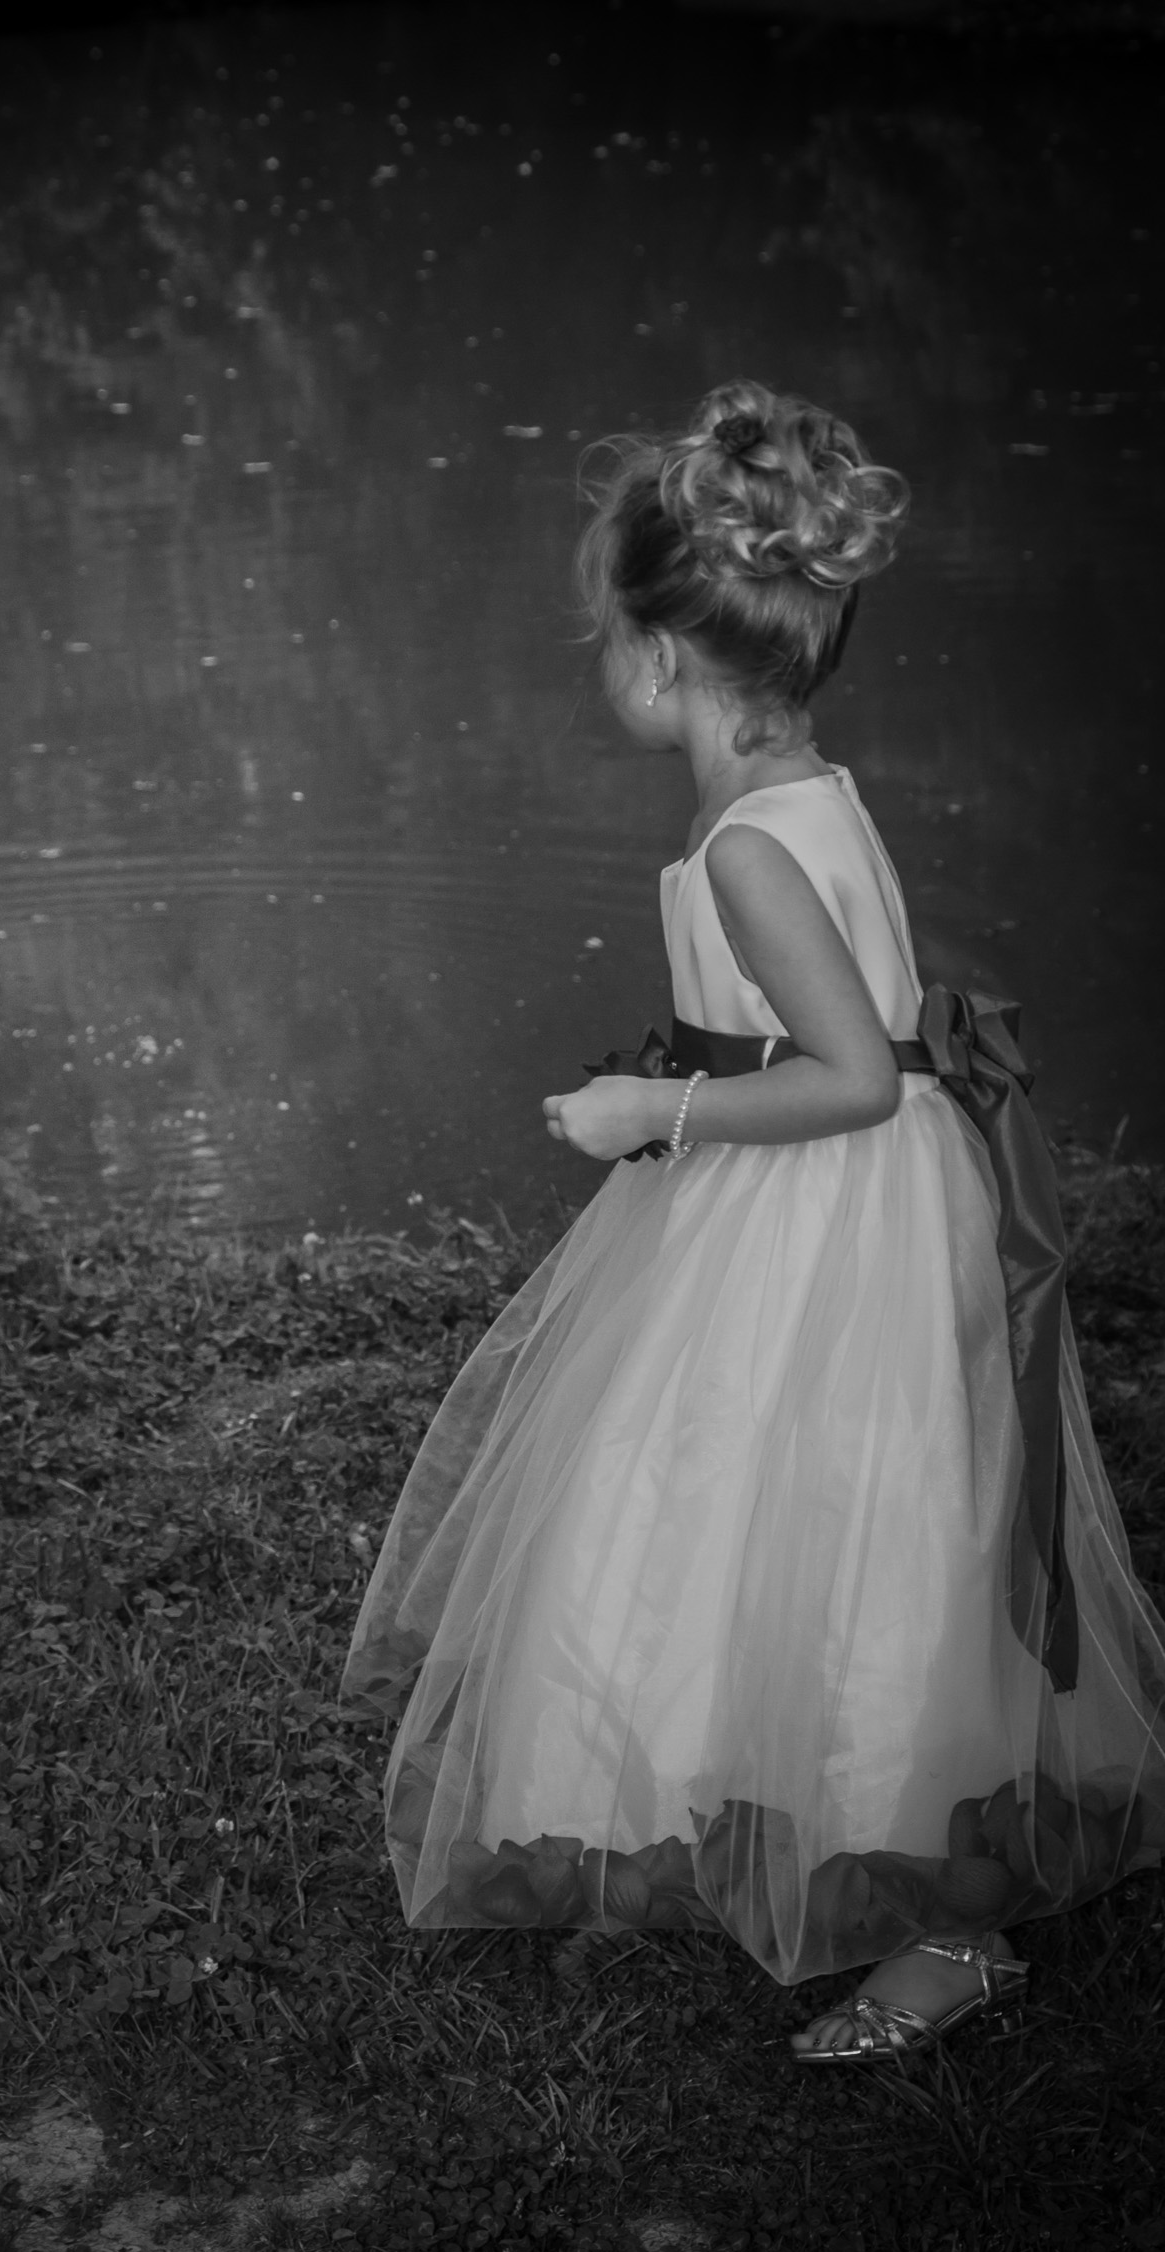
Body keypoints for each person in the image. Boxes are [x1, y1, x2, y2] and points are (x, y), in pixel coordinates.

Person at [340, 379, 1165, 2063]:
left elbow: (852, 1075)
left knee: (850, 1524)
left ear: (660, 659)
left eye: (604, 638)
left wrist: (648, 1112)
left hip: (821, 1211)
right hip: (835, 1202)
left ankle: (952, 1922)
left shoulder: (744, 855)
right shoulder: (804, 792)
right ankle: (734, 1787)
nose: (604, 664)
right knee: (737, 1493)